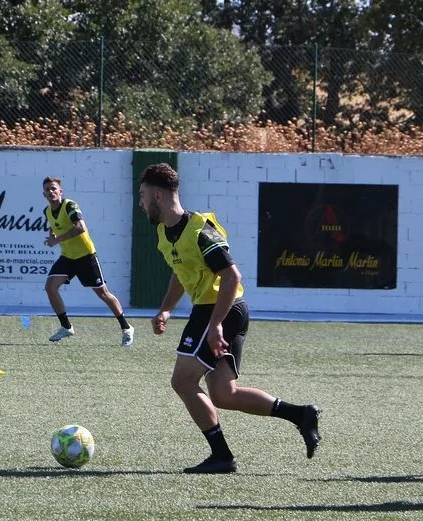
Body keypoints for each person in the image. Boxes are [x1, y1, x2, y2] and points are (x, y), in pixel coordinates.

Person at [138, 163, 321, 474]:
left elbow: (232, 276)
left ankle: (222, 455)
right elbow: (180, 274)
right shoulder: (163, 232)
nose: (140, 203)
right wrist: (166, 308)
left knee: (182, 380)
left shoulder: (200, 230)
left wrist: (215, 325)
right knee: (224, 394)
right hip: (213, 310)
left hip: (222, 309)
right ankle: (301, 415)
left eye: (142, 196)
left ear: (157, 196)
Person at [41, 176, 134, 346]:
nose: (51, 191)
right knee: (50, 287)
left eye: (54, 188)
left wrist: (57, 239)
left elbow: (80, 227)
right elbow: (54, 225)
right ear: (44, 194)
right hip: (68, 257)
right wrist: (52, 236)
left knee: (103, 293)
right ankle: (66, 326)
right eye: (47, 189)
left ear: (60, 191)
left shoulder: (69, 205)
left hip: (86, 256)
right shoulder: (47, 211)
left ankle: (126, 327)